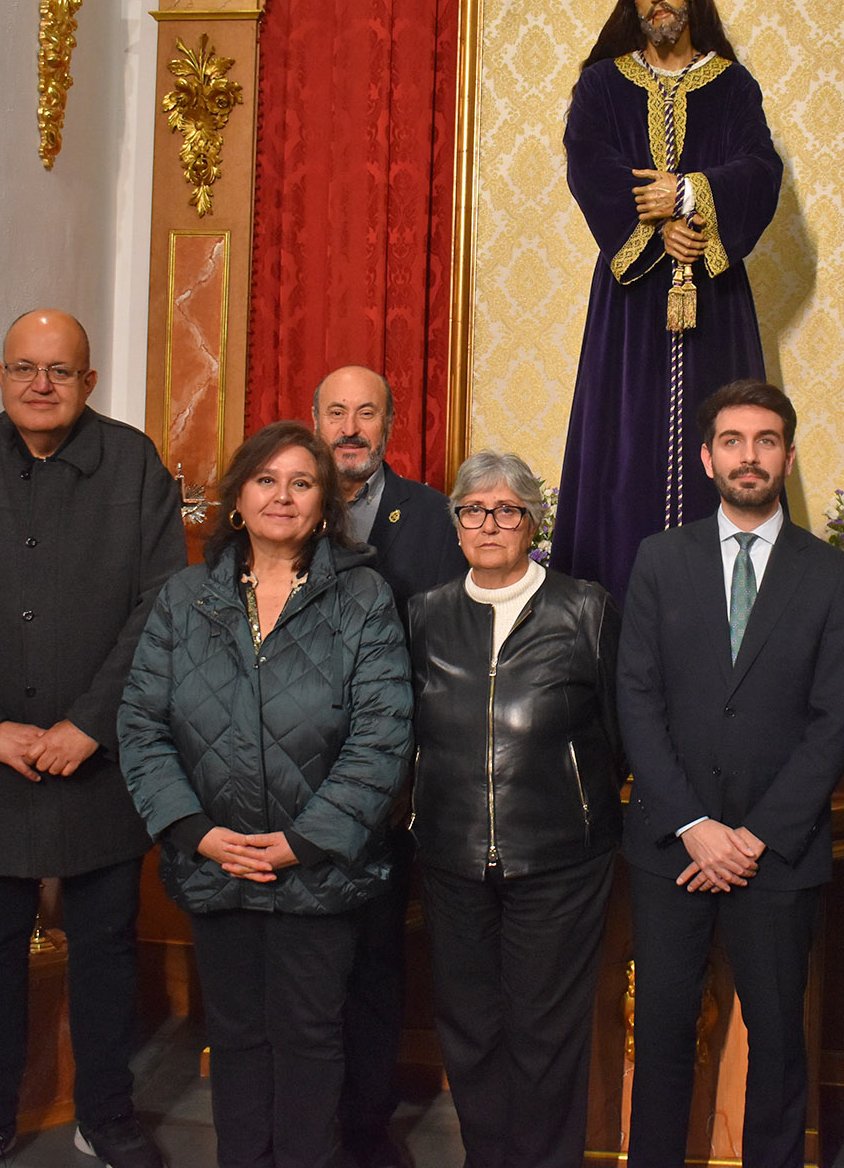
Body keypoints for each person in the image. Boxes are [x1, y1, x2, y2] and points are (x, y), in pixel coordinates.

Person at [0, 311, 183, 1168]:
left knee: (106, 949)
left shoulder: (135, 464)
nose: (41, 384)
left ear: (88, 381)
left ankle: (106, 1117)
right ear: (0, 374)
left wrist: (89, 724)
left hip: (100, 761)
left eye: (60, 371)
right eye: (25, 368)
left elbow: (161, 606)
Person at [118, 421, 411, 1168]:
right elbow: (141, 725)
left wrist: (303, 842)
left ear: (324, 504)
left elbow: (382, 736)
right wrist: (196, 831)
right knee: (237, 1037)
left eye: (301, 482)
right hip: (215, 862)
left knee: (313, 1038)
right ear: (238, 498)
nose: (282, 496)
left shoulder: (364, 597)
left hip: (319, 870)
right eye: (266, 480)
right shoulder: (185, 597)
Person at [616, 379, 844, 1168]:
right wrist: (694, 824)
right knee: (660, 1032)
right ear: (707, 457)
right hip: (672, 847)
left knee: (780, 1041)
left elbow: (836, 719)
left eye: (765, 440)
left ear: (788, 456)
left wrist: (753, 835)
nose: (749, 455)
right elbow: (636, 700)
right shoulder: (660, 559)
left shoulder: (832, 574)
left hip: (777, 854)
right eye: (732, 440)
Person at [554, 0, 784, 599]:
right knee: (624, 444)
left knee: (723, 429)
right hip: (630, 305)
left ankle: (726, 607)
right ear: (631, 1)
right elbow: (588, 163)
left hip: (714, 299)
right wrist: (658, 231)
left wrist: (689, 195)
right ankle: (616, 612)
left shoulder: (732, 85)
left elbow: (760, 169)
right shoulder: (603, 85)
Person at [407, 451, 619, 1168]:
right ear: (456, 524)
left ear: (533, 522)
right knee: (469, 1031)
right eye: (473, 510)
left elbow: (619, 732)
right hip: (452, 856)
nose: (489, 524)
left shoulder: (584, 608)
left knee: (544, 1037)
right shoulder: (426, 614)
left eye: (507, 510)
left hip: (559, 861)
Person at [311, 363, 465, 1168]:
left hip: (392, 781)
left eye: (366, 412)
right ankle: (307, 1124)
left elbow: (452, 652)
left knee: (375, 956)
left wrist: (408, 769)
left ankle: (366, 1128)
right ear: (315, 421)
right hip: (293, 775)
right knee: (305, 963)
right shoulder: (286, 503)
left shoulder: (436, 516)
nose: (350, 427)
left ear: (391, 424)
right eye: (336, 411)